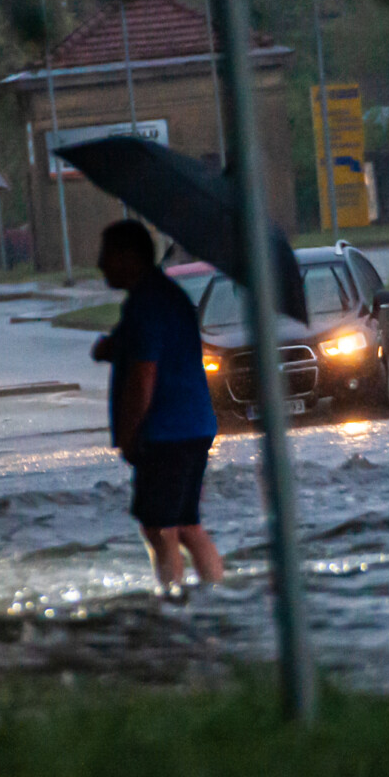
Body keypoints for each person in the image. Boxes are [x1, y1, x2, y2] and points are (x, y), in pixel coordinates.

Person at [90, 220, 224, 593]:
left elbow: (143, 376)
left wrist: (131, 434)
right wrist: (110, 347)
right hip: (191, 426)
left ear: (128, 257)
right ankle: (214, 596)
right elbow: (133, 346)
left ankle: (173, 602)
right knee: (184, 524)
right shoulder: (159, 296)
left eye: (107, 255)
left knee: (160, 527)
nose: (100, 265)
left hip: (169, 432)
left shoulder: (147, 303)